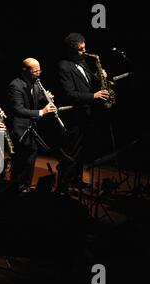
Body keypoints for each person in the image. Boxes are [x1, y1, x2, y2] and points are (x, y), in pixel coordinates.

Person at [55, 33, 110, 193]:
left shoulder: (83, 62)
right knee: (72, 152)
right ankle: (64, 185)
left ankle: (76, 180)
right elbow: (69, 94)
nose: (85, 52)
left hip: (87, 115)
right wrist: (94, 96)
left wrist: (100, 77)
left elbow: (89, 83)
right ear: (71, 50)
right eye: (81, 50)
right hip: (74, 116)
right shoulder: (64, 66)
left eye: (85, 48)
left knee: (82, 151)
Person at [7, 58, 57, 190]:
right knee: (20, 164)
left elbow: (38, 98)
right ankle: (14, 191)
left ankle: (26, 188)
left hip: (32, 130)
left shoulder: (35, 84)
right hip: (19, 131)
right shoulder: (15, 85)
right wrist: (42, 112)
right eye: (35, 71)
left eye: (39, 70)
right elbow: (18, 109)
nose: (38, 73)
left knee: (30, 163)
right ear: (25, 71)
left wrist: (47, 98)